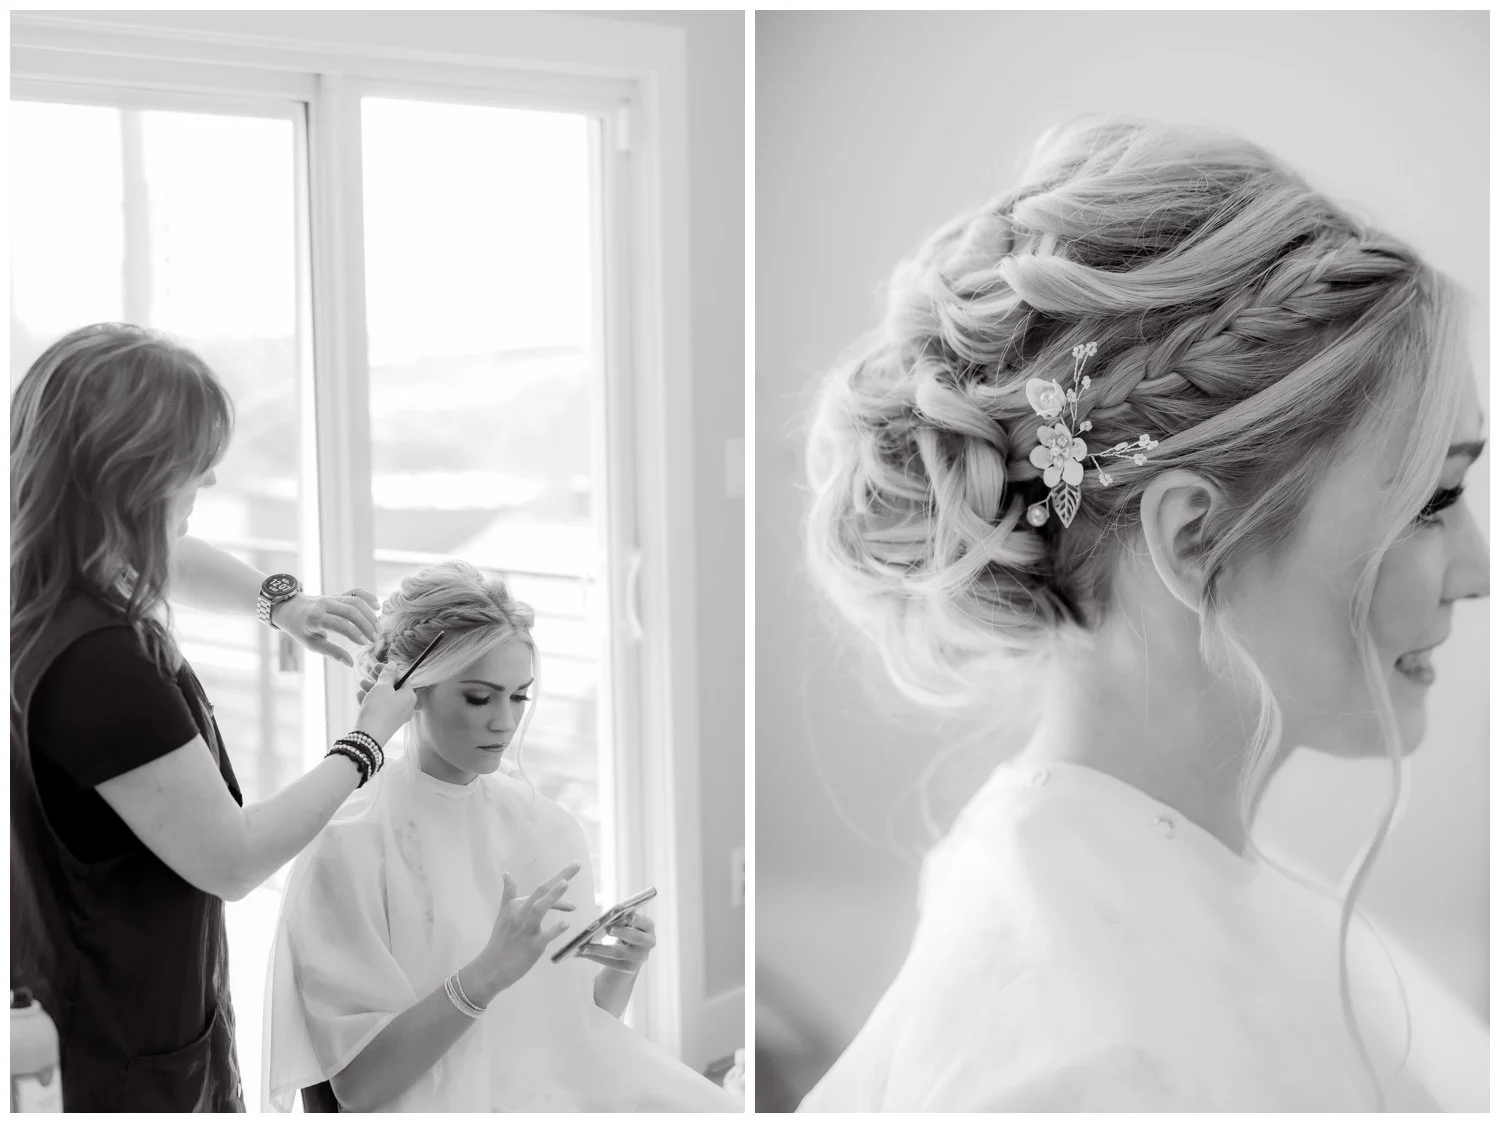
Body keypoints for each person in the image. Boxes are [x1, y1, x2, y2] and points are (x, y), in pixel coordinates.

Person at [797, 118, 1488, 1111]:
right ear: (1195, 538)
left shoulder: (1177, 868)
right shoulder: (1082, 1065)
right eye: (1432, 500)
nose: (1478, 572)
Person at [10, 323, 417, 1111]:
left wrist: (283, 603)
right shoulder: (103, 665)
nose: (209, 488)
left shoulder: (41, 580)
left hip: (84, 1000)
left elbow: (165, 555)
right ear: (131, 479)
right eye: (193, 471)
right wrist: (369, 736)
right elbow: (235, 858)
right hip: (122, 1051)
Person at [263, 560, 740, 1112]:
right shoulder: (349, 847)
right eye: (478, 697)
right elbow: (359, 1088)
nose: (504, 722)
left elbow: (571, 1039)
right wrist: (484, 978)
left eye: (518, 696)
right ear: (407, 689)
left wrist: (621, 966)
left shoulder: (547, 826)